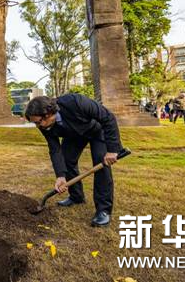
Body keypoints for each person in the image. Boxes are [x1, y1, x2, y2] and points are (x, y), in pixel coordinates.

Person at [25, 94, 123, 227]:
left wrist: (112, 150)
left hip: (97, 130)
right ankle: (76, 197)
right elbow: (55, 149)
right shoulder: (44, 125)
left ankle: (103, 210)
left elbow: (108, 118)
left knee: (101, 164)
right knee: (66, 160)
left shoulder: (76, 102)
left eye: (38, 122)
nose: (37, 126)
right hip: (74, 135)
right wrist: (60, 175)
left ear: (48, 114)